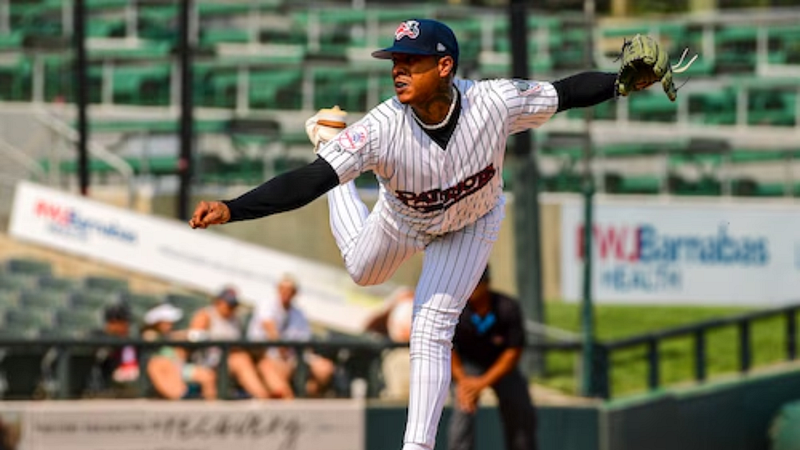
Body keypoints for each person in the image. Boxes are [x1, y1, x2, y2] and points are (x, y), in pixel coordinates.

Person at [188, 19, 677, 450]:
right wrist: (233, 207)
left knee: (431, 327)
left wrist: (618, 84)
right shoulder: (382, 127)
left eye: (412, 61)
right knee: (360, 267)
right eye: (395, 61)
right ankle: (334, 145)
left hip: (471, 223)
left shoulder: (494, 102)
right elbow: (308, 182)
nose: (398, 69)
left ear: (444, 67)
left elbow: (564, 93)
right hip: (404, 219)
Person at [448, 266, 536, 450]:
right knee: (463, 407)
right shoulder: (456, 309)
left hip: (500, 366)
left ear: (486, 283)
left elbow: (513, 352)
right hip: (467, 367)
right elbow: (449, 349)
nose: (470, 288)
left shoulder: (506, 307)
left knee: (519, 406)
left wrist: (482, 383)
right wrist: (464, 382)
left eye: (475, 283)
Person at [246, 274, 335, 398]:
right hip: (266, 355)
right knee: (279, 379)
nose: (286, 293)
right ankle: (290, 400)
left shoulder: (299, 313)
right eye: (283, 289)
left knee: (325, 369)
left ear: (295, 293)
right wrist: (283, 352)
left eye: (290, 290)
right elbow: (271, 331)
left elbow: (304, 341)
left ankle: (306, 398)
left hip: (293, 357)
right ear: (278, 289)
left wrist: (291, 357)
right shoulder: (267, 305)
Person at [188, 286, 270, 399]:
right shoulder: (206, 315)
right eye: (229, 304)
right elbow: (193, 338)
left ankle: (278, 396)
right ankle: (262, 397)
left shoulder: (235, 319)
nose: (231, 308)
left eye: (234, 305)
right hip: (209, 362)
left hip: (232, 360)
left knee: (264, 361)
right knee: (240, 360)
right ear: (218, 301)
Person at [141, 303, 217, 400]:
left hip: (180, 367)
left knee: (207, 376)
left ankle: (211, 406)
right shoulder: (150, 334)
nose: (170, 325)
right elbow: (151, 338)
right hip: (165, 370)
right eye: (167, 322)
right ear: (158, 323)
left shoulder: (173, 335)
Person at [364, 286, 414, 400]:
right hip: (397, 352)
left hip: (422, 353)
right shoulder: (398, 304)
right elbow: (370, 327)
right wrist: (394, 304)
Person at [87, 303, 139, 398]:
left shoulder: (129, 341)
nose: (126, 326)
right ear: (112, 323)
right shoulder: (97, 338)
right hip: (103, 388)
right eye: (123, 322)